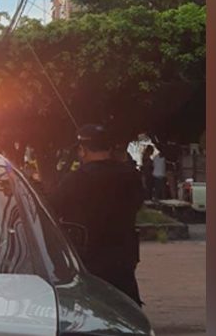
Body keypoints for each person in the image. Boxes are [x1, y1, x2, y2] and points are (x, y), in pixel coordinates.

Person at [51, 124, 145, 305]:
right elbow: (137, 204)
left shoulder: (77, 179)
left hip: (88, 256)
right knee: (127, 304)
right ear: (109, 148)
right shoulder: (130, 175)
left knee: (92, 305)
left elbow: (52, 208)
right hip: (123, 255)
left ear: (82, 150)